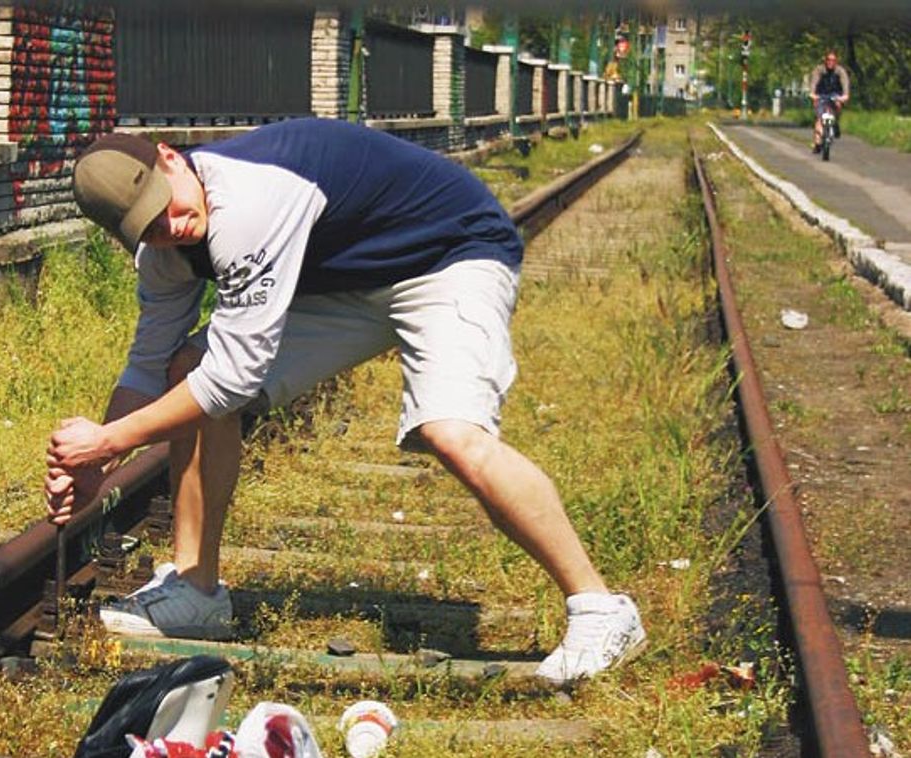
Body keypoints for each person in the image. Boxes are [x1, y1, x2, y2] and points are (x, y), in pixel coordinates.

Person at [43, 118, 645, 684]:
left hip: (449, 256)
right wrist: (100, 463)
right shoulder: (165, 250)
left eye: (165, 209)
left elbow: (234, 378)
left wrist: (109, 440)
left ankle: (600, 609)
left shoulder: (250, 200)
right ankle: (196, 591)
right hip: (351, 285)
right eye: (147, 229)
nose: (169, 228)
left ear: (172, 159)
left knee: (450, 430)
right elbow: (150, 367)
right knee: (186, 367)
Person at [808, 50, 850, 153]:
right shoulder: (819, 70)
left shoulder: (840, 71)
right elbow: (814, 82)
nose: (831, 62)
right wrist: (813, 94)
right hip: (821, 95)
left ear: (836, 61)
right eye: (829, 60)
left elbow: (845, 84)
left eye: (833, 60)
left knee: (838, 105)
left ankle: (835, 123)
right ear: (825, 61)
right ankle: (817, 142)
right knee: (819, 117)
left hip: (835, 95)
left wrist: (845, 95)